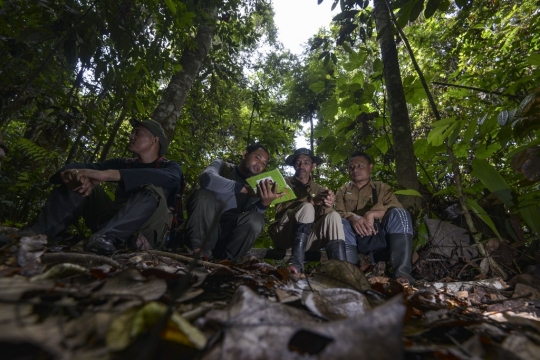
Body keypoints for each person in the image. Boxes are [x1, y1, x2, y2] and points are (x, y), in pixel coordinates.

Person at [28, 119, 183, 255]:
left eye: (137, 133)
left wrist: (109, 174)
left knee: (152, 189)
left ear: (154, 141)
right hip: (109, 223)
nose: (131, 136)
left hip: (145, 233)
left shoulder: (169, 167)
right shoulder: (125, 164)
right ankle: (38, 234)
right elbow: (86, 167)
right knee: (82, 180)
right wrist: (69, 173)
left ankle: (106, 237)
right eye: (132, 133)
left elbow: (172, 179)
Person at [184, 143, 279, 261]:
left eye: (264, 163)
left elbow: (251, 216)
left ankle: (228, 261)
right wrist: (244, 189)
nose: (259, 164)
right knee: (203, 195)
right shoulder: (223, 166)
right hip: (206, 228)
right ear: (245, 154)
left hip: (228, 237)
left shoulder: (256, 185)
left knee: (256, 219)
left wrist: (263, 204)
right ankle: (198, 253)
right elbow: (206, 178)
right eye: (257, 157)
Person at [335, 151, 414, 282]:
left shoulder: (381, 188)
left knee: (401, 214)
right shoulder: (342, 191)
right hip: (354, 235)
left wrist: (372, 214)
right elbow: (337, 212)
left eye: (360, 165)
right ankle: (350, 277)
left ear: (370, 167)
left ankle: (402, 275)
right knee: (339, 223)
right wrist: (352, 217)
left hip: (379, 233)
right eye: (351, 167)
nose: (355, 170)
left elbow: (396, 206)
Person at [269, 148, 346, 274]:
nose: (301, 166)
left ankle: (341, 270)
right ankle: (296, 265)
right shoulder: (283, 184)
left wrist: (328, 204)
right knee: (308, 207)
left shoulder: (319, 189)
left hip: (307, 240)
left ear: (313, 166)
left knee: (334, 216)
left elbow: (325, 220)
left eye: (306, 162)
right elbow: (281, 210)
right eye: (298, 162)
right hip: (285, 236)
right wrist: (312, 202)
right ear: (294, 165)